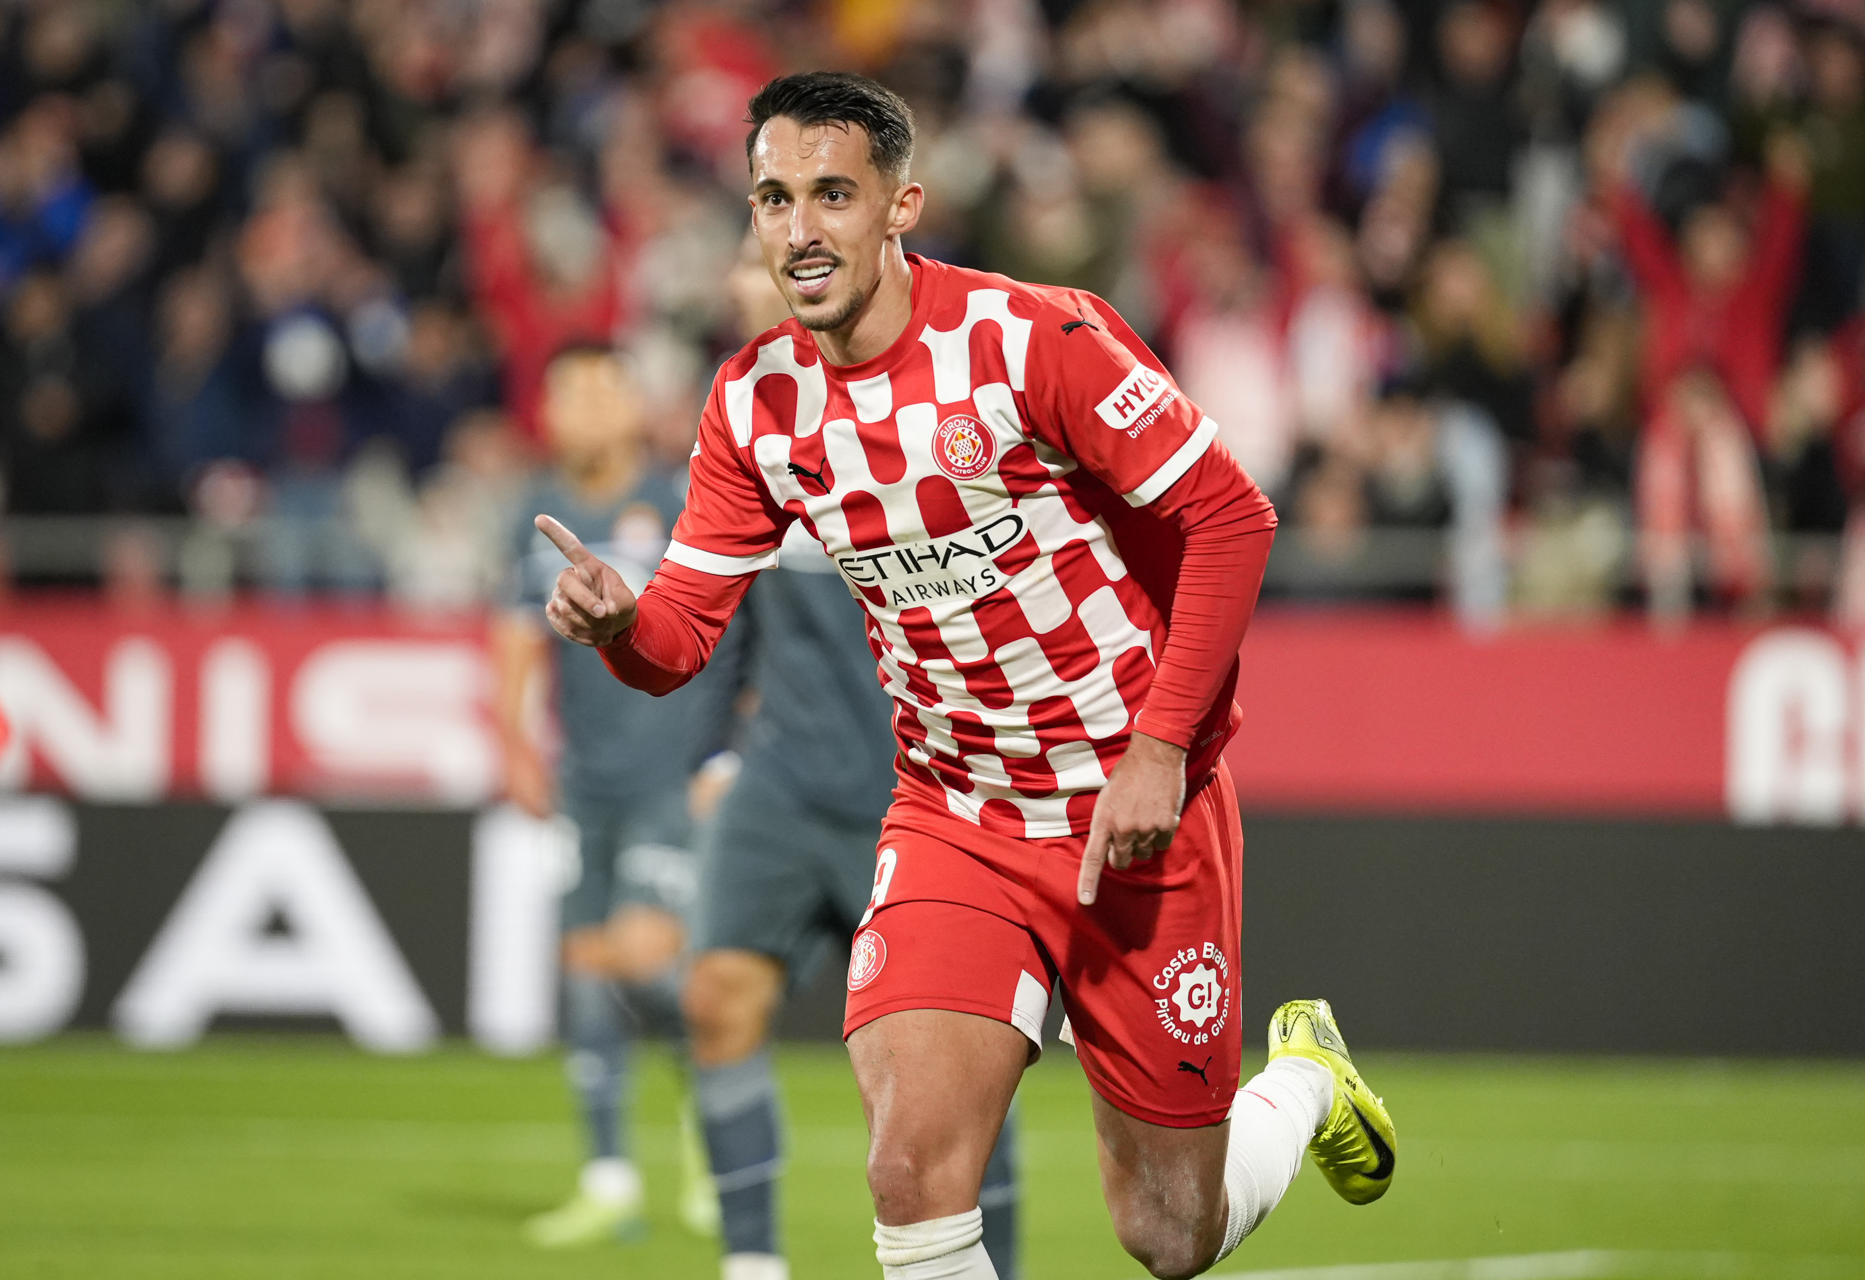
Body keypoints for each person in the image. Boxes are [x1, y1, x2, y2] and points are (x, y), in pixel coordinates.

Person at [537, 72, 1397, 1280]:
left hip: (1132, 808)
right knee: (909, 1168)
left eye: (833, 194)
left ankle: (1303, 1079)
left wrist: (1160, 747)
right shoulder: (754, 403)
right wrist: (618, 620)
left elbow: (1232, 518)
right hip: (961, 814)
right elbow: (679, 641)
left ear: (902, 205)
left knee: (1168, 1232)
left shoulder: (1030, 336)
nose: (800, 229)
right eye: (773, 198)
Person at [678, 237, 1021, 1280]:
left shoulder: (922, 407)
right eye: (746, 254)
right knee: (716, 997)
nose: (756, 272)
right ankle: (752, 1264)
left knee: (949, 1073)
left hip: (920, 781)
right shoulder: (743, 431)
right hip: (781, 773)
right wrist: (711, 751)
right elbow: (718, 612)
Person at [495, 340, 731, 1247]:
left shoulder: (684, 501)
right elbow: (514, 631)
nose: (587, 409)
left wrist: (725, 758)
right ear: (547, 414)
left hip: (671, 776)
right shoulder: (535, 513)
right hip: (584, 781)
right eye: (570, 394)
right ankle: (608, 1178)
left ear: (635, 403)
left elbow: (741, 629)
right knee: (588, 971)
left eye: (603, 389)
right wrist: (512, 739)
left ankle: (716, 1111)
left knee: (645, 958)